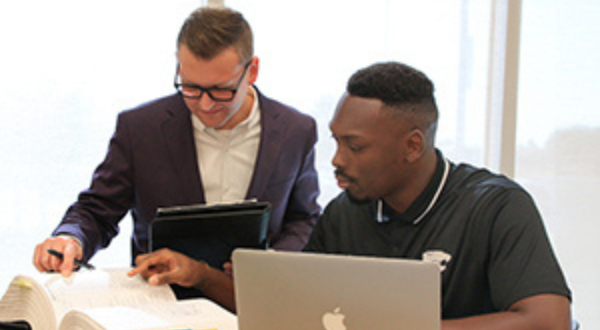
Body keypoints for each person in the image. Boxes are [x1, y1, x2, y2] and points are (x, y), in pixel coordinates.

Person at [32, 5, 320, 281]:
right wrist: (70, 238)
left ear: (252, 71)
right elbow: (98, 209)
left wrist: (277, 258)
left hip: (255, 297)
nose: (205, 105)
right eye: (191, 87)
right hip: (162, 298)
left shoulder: (296, 130)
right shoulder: (140, 129)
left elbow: (303, 218)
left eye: (221, 90)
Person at [303, 62, 572, 329]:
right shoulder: (343, 213)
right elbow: (299, 305)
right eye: (336, 141)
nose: (337, 159)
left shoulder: (497, 206)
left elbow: (549, 322)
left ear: (412, 146)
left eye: (355, 146)